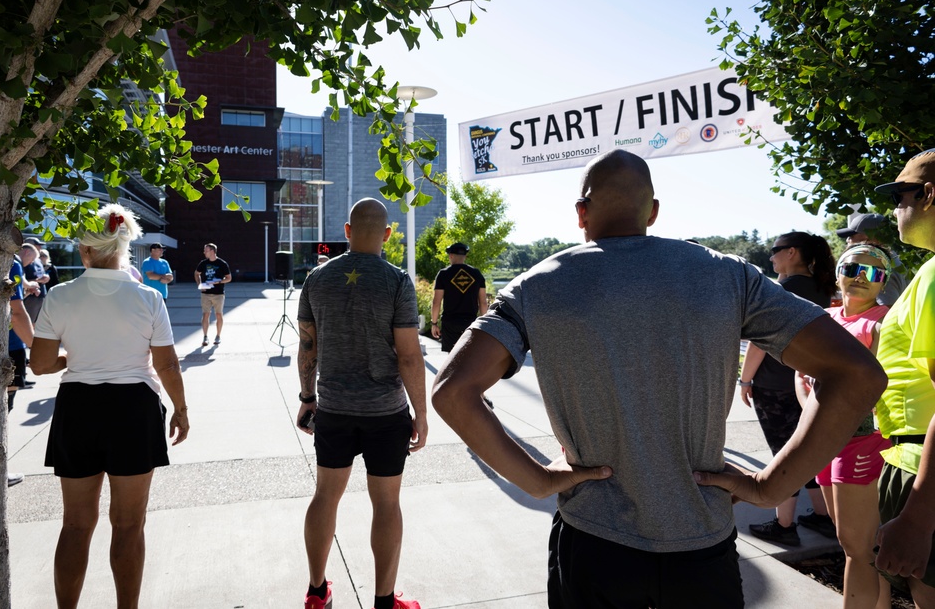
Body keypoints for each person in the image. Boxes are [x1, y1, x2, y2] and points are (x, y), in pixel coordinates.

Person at [430, 150, 886, 608]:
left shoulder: (537, 285)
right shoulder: (728, 276)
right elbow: (857, 373)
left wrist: (535, 480)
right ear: (652, 211)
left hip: (593, 543)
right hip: (701, 548)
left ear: (581, 213)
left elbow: (453, 392)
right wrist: (769, 486)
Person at [29, 203, 189, 609]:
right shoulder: (148, 297)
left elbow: (42, 364)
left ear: (85, 249)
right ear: (125, 247)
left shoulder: (62, 295)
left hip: (78, 407)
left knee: (76, 525)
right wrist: (181, 409)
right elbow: (166, 363)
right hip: (134, 409)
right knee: (129, 524)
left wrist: (77, 358)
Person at [296, 198, 427, 609]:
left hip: (333, 409)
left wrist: (307, 398)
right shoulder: (397, 281)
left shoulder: (317, 279)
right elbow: (408, 354)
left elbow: (307, 346)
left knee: (324, 497)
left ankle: (317, 592)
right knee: (387, 503)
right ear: (387, 234)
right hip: (385, 412)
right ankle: (384, 601)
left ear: (347, 231)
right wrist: (421, 413)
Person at [796, 243, 893, 609]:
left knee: (860, 548)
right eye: (852, 269)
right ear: (838, 272)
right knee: (852, 542)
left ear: (884, 279)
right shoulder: (822, 318)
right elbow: (801, 375)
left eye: (872, 272)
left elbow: (883, 385)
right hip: (823, 440)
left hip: (861, 441)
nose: (860, 278)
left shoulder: (883, 321)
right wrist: (816, 420)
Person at [739, 231, 837, 546]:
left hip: (774, 385)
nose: (771, 257)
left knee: (783, 455)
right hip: (807, 384)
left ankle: (784, 525)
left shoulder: (781, 289)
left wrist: (744, 380)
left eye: (775, 250)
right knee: (805, 452)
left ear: (792, 253)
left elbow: (758, 343)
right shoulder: (822, 289)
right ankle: (822, 517)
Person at [871, 147, 935, 606]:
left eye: (900, 196)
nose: (895, 210)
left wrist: (917, 516)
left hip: (922, 469)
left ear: (929, 194)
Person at [837, 213, 907, 305]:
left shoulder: (880, 271)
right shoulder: (891, 263)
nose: (847, 240)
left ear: (870, 240)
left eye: (851, 236)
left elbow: (886, 309)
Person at [431, 242, 488, 352]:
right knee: (469, 356)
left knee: (452, 359)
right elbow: (483, 302)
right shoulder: (476, 274)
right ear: (465, 256)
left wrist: (434, 323)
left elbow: (436, 302)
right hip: (470, 323)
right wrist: (484, 326)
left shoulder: (443, 274)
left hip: (450, 323)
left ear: (451, 255)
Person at [194, 243, 231, 346]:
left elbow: (229, 278)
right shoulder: (203, 263)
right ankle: (205, 337)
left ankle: (218, 336)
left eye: (206, 250)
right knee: (206, 314)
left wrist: (218, 282)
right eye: (204, 250)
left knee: (219, 314)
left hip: (218, 294)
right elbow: (196, 273)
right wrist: (199, 284)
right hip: (205, 294)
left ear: (212, 251)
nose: (204, 252)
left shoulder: (222, 263)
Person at [19, 242, 49, 324]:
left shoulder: (20, 264)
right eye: (32, 259)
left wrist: (28, 291)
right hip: (27, 302)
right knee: (26, 324)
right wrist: (33, 284)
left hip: (38, 296)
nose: (31, 262)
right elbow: (20, 281)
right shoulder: (17, 263)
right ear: (27, 252)